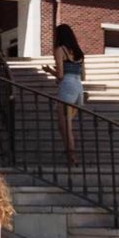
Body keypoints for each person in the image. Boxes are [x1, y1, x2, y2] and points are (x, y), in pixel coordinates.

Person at [42, 23, 85, 166]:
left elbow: (60, 75)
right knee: (64, 125)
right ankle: (69, 153)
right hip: (78, 88)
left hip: (67, 88)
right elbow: (83, 76)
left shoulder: (60, 50)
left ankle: (72, 157)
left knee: (65, 126)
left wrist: (49, 71)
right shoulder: (79, 53)